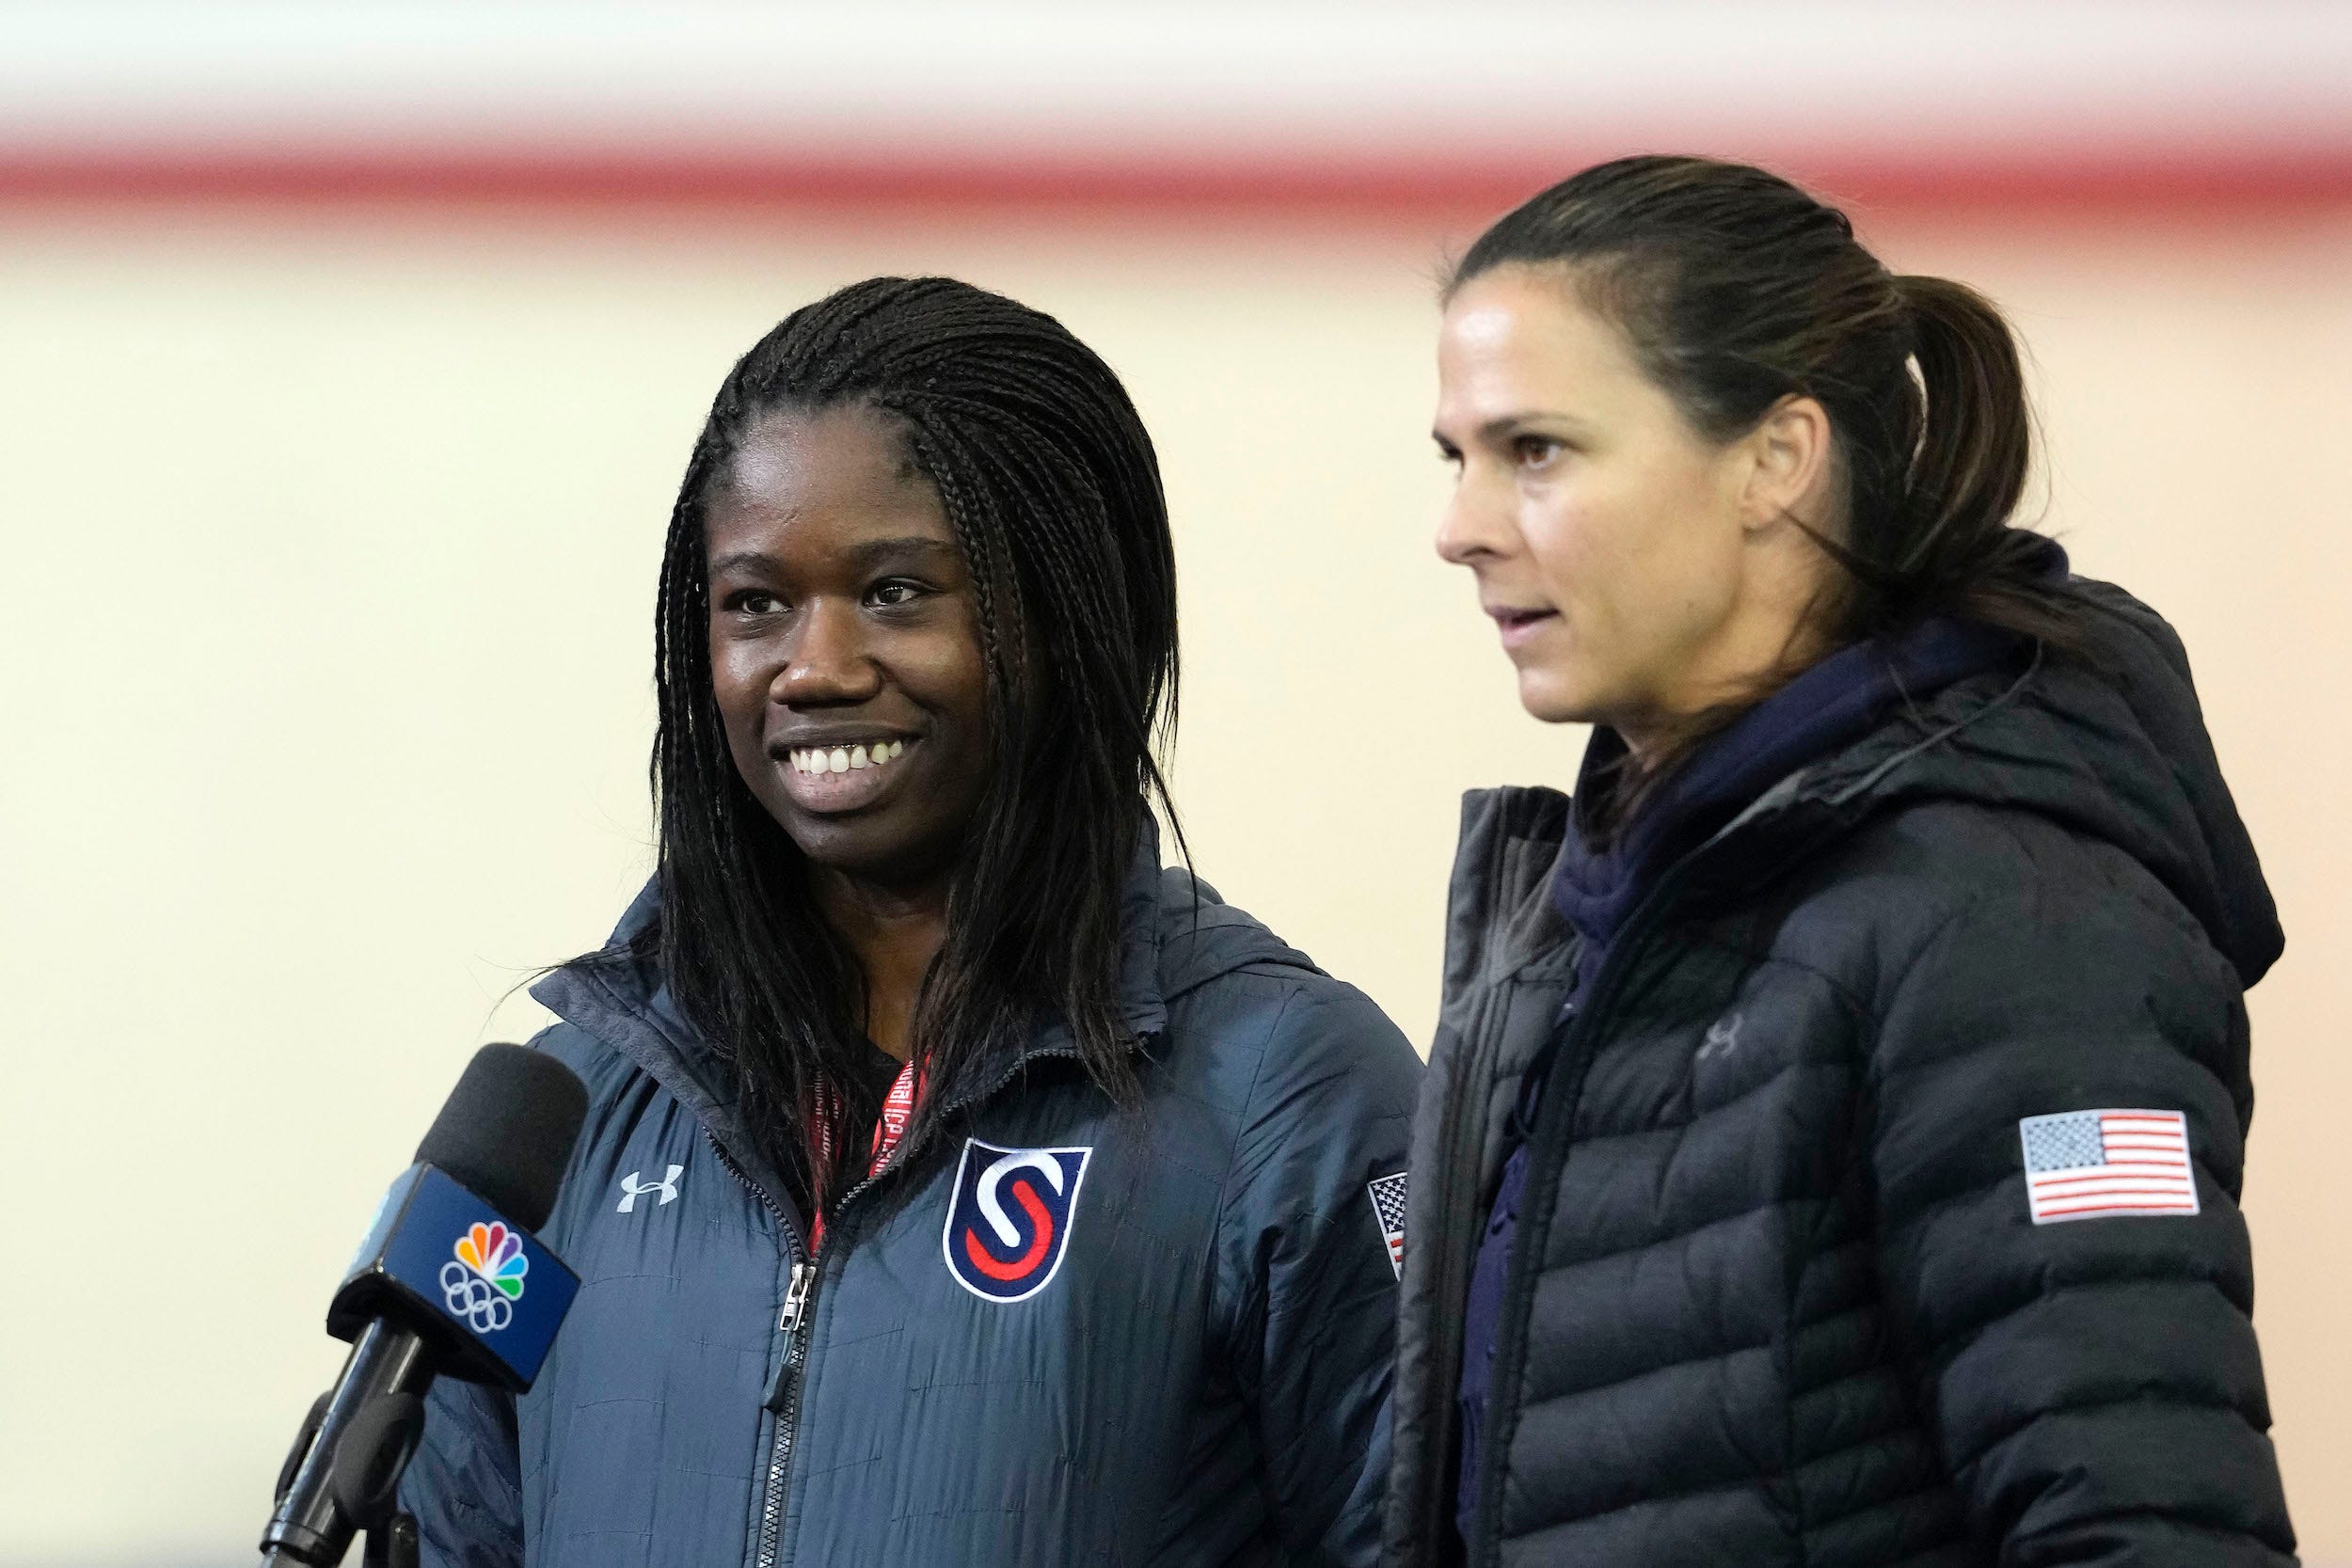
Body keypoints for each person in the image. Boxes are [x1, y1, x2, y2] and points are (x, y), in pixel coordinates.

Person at [402, 277, 1421, 1567]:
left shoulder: (1290, 1095)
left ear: (1066, 622)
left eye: (896, 592)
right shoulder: (566, 1110)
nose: (814, 666)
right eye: (756, 602)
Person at [1381, 157, 2295, 1567]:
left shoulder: (2007, 925)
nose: (1462, 528)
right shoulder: (1581, 922)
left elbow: (2149, 1524)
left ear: (1775, 458)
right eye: (1459, 457)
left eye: (1537, 450)